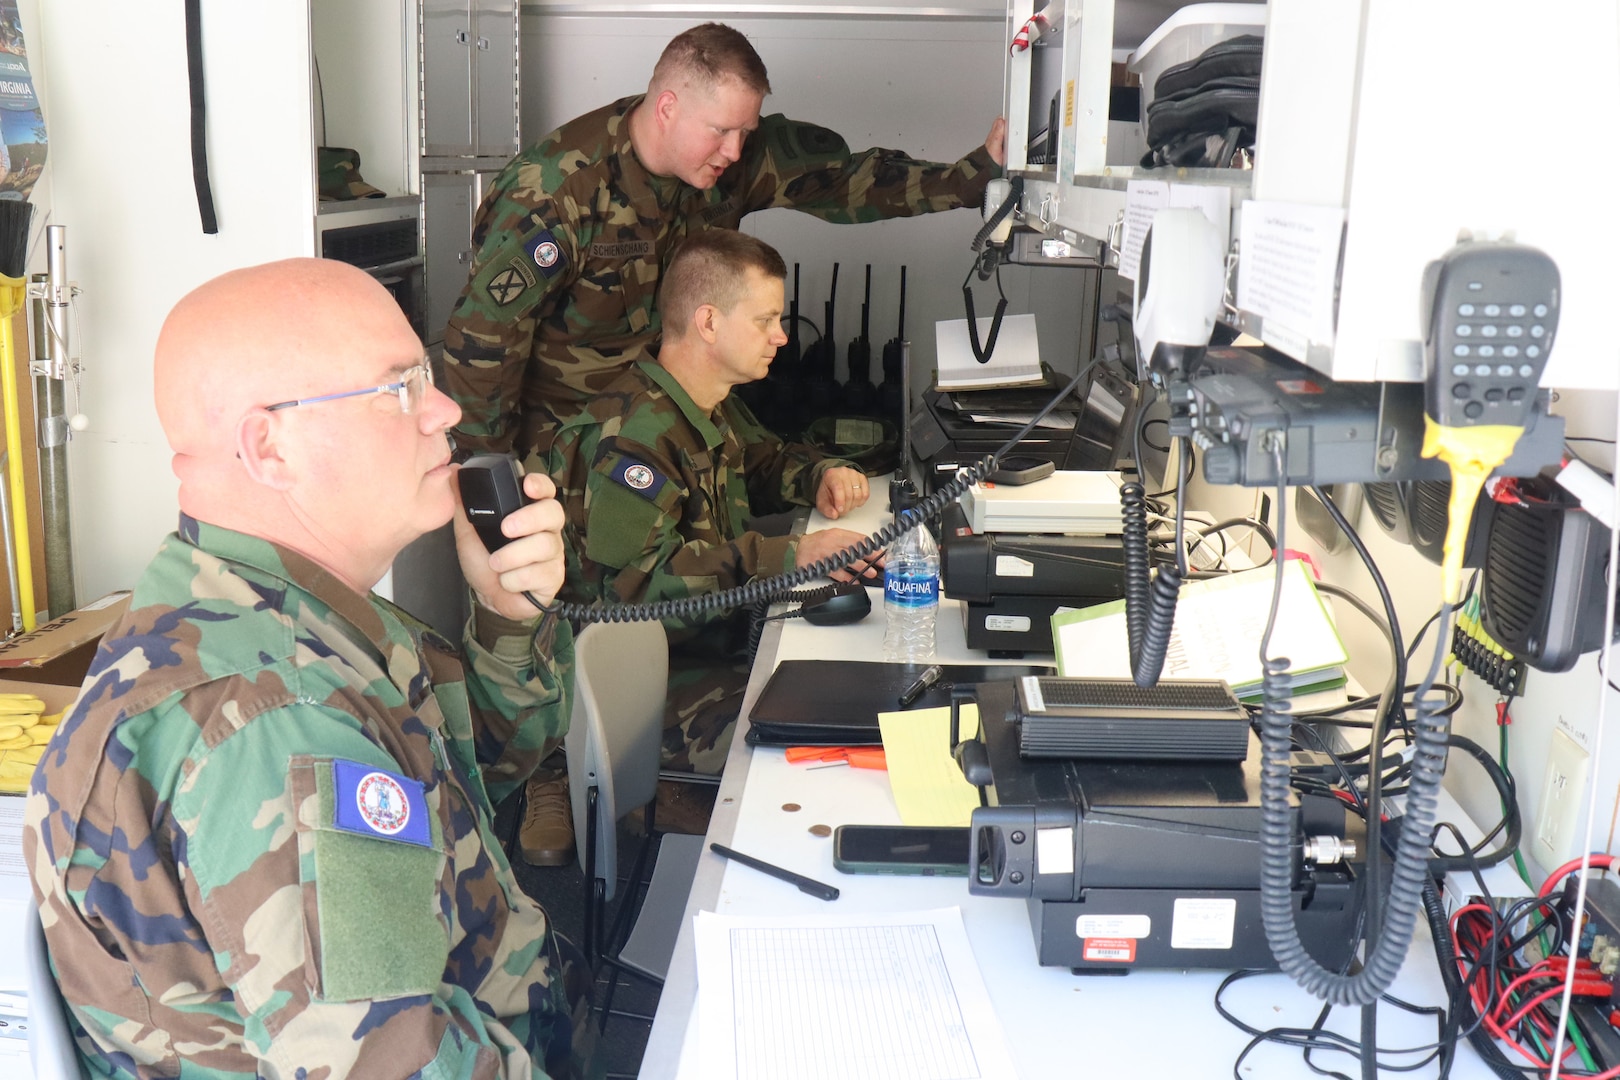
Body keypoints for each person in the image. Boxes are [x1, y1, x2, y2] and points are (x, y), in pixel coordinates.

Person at [444, 19, 1002, 861]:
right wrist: (483, 499)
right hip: (552, 446)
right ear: (667, 107)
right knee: (543, 608)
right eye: (723, 130)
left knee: (654, 598)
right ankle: (544, 778)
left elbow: (847, 181)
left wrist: (977, 177)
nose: (739, 152)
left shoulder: (728, 157)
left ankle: (624, 761)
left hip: (670, 408)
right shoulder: (555, 191)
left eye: (748, 129)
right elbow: (482, 351)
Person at [23, 259, 592, 1078]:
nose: (446, 410)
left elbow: (465, 775)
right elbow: (391, 1065)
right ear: (269, 446)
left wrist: (507, 616)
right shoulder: (269, 718)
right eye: (400, 388)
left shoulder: (283, 610)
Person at [548, 230, 874, 775]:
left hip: (708, 647)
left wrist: (820, 475)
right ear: (708, 322)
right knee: (825, 747)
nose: (782, 337)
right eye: (765, 320)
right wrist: (790, 557)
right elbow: (641, 597)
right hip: (648, 683)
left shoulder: (701, 402)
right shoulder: (635, 439)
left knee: (851, 691)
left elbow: (759, 462)